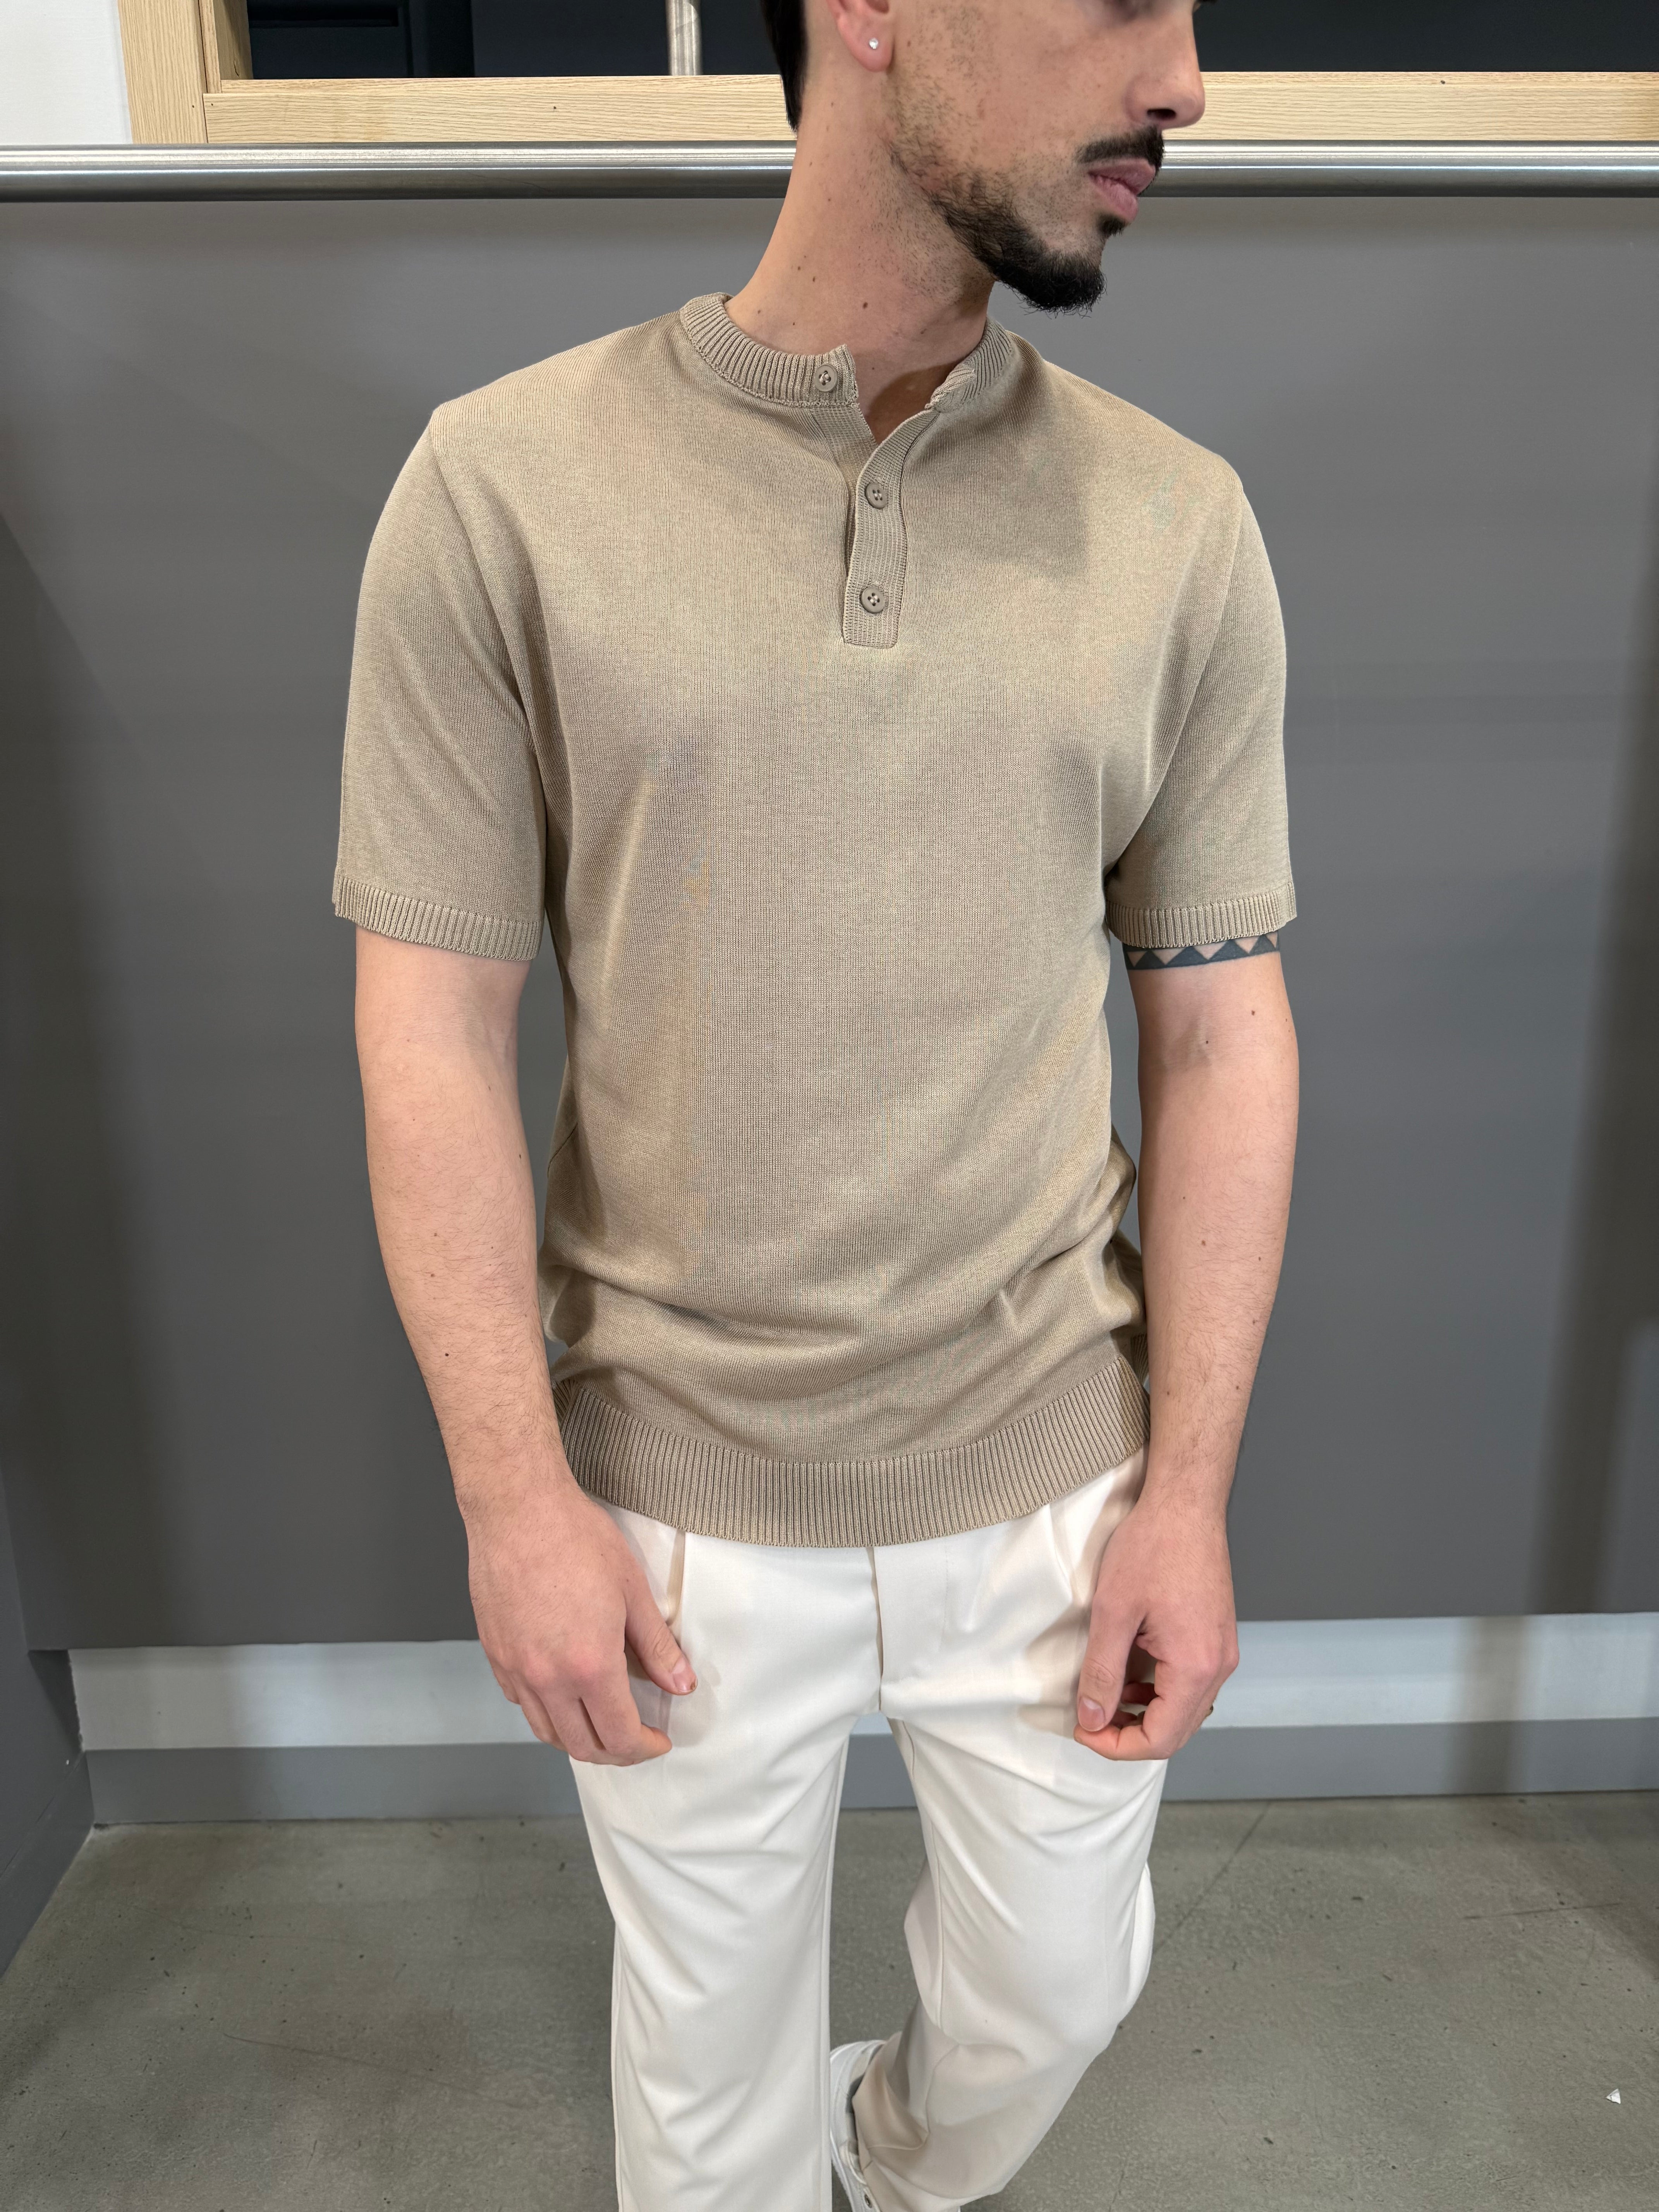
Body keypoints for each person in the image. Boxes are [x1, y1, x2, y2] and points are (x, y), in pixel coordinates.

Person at [332, 1, 1298, 2205]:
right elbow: (429, 1032)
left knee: (1057, 1997)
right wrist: (513, 1497)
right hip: (672, 1495)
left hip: (1048, 1463)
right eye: (1122, 2)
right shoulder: (504, 487)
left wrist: (1191, 1494)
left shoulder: (1176, 524)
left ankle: (888, 2157)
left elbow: (1221, 1031)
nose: (1184, 80)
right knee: (699, 2118)